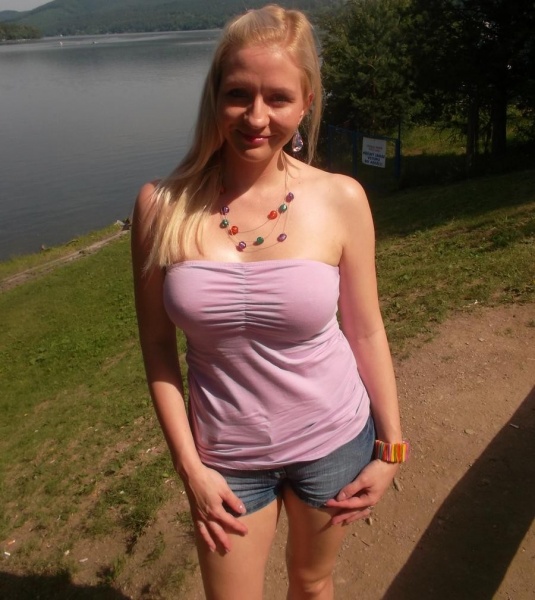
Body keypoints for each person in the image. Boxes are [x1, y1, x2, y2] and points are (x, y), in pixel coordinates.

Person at [131, 4, 407, 599]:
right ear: (215, 97)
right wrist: (190, 468)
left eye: (278, 98)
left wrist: (391, 447)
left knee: (312, 582)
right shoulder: (161, 206)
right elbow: (156, 347)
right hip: (226, 457)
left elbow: (365, 330)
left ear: (306, 103)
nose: (256, 117)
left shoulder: (340, 199)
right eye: (238, 94)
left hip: (334, 441)